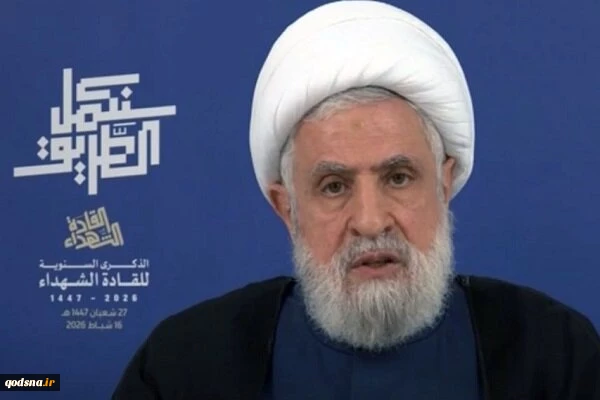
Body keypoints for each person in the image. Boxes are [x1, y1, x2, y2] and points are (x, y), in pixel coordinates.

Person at [113, 1, 600, 399]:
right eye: (334, 186)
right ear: (287, 209)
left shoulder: (555, 356)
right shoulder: (182, 368)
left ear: (443, 185)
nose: (369, 221)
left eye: (399, 177)